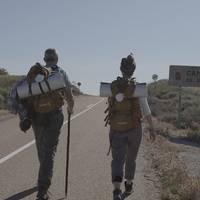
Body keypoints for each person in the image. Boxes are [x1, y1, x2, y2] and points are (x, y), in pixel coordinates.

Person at [9, 48, 74, 200]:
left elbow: (17, 92)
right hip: (54, 116)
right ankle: (43, 189)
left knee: (42, 149)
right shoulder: (60, 73)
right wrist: (71, 107)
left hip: (37, 116)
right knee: (48, 152)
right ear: (56, 59)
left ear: (45, 59)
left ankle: (43, 178)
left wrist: (22, 114)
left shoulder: (35, 74)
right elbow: (69, 92)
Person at [105, 54, 155, 200]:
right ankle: (129, 184)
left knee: (117, 160)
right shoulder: (137, 88)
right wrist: (152, 128)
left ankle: (116, 190)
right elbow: (146, 110)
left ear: (121, 69)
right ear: (133, 70)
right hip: (134, 128)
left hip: (116, 129)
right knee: (131, 158)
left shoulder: (113, 86)